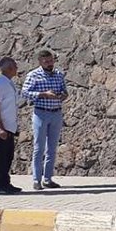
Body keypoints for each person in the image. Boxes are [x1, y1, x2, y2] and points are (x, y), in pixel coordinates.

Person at [22, 48, 68, 190]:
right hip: (41, 114)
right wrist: (43, 94)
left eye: (51, 61)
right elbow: (25, 93)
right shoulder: (33, 75)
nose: (50, 63)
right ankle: (36, 179)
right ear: (40, 62)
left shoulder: (59, 75)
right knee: (38, 148)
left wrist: (62, 95)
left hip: (56, 113)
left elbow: (64, 91)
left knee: (52, 148)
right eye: (46, 62)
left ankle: (48, 179)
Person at [0, 57, 22, 195]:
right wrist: (0, 127)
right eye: (15, 66)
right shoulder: (0, 83)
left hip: (8, 126)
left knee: (8, 156)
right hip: (0, 127)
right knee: (0, 156)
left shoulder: (8, 82)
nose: (17, 68)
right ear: (9, 68)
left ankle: (5, 184)